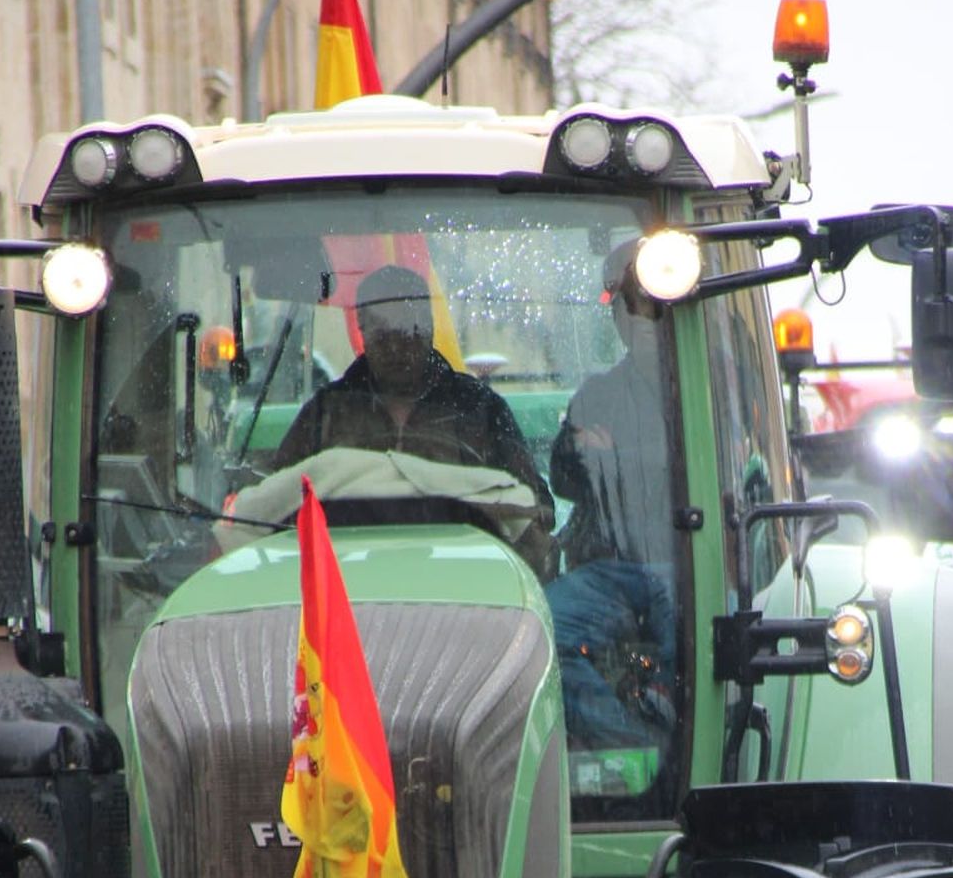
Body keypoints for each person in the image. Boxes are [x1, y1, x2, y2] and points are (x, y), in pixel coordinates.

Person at [271, 263, 554, 567]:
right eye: (382, 333)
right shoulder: (326, 411)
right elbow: (276, 505)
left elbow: (534, 508)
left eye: (406, 332)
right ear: (362, 330)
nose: (395, 347)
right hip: (346, 580)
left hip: (461, 578)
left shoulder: (479, 409)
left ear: (429, 326)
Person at [545, 246, 679, 752]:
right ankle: (636, 745)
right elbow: (562, 477)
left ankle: (679, 722)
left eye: (648, 303)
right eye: (628, 305)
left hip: (687, 559)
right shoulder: (599, 392)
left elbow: (710, 458)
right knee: (545, 633)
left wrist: (618, 457)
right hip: (611, 570)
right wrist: (587, 458)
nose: (639, 317)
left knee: (694, 644)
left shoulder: (711, 380)